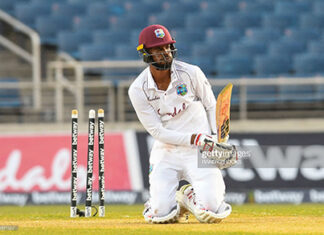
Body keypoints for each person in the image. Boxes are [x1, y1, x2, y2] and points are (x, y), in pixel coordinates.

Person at [128, 24, 236, 224]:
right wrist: (196, 138)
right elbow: (157, 132)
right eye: (158, 49)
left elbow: (212, 106)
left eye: (168, 47)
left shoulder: (191, 73)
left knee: (212, 211)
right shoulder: (138, 90)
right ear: (145, 53)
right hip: (167, 151)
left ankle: (189, 195)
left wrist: (218, 138)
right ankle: (157, 203)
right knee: (161, 214)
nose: (165, 53)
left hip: (200, 150)